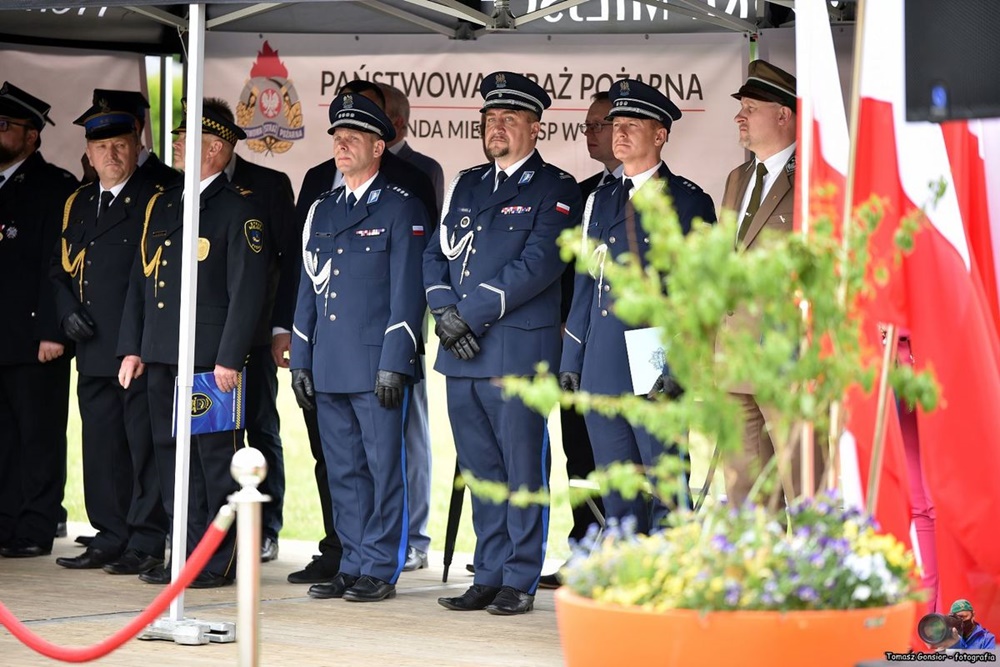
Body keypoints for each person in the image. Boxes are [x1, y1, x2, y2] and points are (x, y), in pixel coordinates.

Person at [426, 71, 582, 615]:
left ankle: (520, 576)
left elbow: (537, 266)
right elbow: (436, 254)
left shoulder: (557, 187)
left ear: (536, 128)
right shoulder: (468, 182)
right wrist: (443, 312)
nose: (496, 127)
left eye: (509, 119)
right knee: (481, 470)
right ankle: (488, 573)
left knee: (522, 470)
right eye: (491, 119)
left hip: (515, 352)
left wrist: (464, 316)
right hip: (462, 355)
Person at [274, 79, 438, 584]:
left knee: (384, 468)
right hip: (328, 364)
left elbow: (409, 293)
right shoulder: (323, 208)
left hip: (377, 364)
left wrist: (397, 359)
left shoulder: (401, 205)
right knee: (343, 471)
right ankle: (351, 561)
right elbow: (308, 290)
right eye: (337, 134)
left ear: (378, 145)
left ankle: (380, 566)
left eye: (355, 134)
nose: (342, 143)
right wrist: (301, 359)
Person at [117, 101, 267, 588]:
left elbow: (248, 291)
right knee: (169, 456)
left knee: (212, 460)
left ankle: (217, 558)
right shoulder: (164, 202)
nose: (176, 145)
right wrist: (134, 347)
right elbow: (144, 280)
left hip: (208, 359)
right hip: (162, 351)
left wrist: (229, 359)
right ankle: (182, 552)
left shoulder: (237, 208)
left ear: (217, 148)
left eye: (188, 138)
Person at [559, 79, 716, 535]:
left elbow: (699, 293)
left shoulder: (688, 200)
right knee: (617, 487)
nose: (619, 133)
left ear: (660, 135)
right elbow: (587, 282)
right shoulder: (600, 197)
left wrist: (678, 362)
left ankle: (672, 584)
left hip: (653, 355)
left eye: (632, 125)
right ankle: (624, 586)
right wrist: (573, 359)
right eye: (616, 124)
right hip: (602, 358)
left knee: (665, 483)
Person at [50, 90, 176, 573]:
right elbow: (57, 269)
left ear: (137, 141)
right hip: (91, 345)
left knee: (141, 448)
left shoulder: (156, 197)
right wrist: (65, 313)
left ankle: (146, 538)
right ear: (87, 153)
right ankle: (110, 532)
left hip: (136, 347)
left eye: (120, 144)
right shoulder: (78, 202)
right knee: (100, 447)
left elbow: (153, 279)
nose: (110, 155)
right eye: (100, 148)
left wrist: (138, 342)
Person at [192, 97, 295, 564]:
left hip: (251, 336)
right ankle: (206, 533)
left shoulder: (269, 185)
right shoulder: (183, 190)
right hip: (199, 342)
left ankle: (267, 527)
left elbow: (286, 262)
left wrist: (279, 328)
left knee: (259, 427)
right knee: (207, 438)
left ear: (222, 142)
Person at [718, 59, 821, 505]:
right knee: (743, 490)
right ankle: (753, 573)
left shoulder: (815, 176)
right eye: (740, 106)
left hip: (786, 356)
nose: (740, 116)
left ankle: (815, 571)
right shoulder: (737, 179)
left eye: (750, 107)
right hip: (734, 356)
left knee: (803, 484)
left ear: (784, 115)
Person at [539, 91, 619, 589]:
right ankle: (585, 548)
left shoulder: (667, 193)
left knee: (631, 459)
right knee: (580, 453)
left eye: (599, 124)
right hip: (576, 349)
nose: (589, 132)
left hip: (629, 354)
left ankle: (633, 554)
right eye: (587, 124)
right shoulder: (584, 196)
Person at [0, 81, 78, 558]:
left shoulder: (55, 187)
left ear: (32, 136)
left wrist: (53, 330)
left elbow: (60, 264)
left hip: (35, 338)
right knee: (4, 437)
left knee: (38, 435)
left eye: (5, 125)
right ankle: (6, 519)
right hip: (1, 336)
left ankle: (37, 523)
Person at [378, 81, 445, 571]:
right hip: (348, 329)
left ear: (395, 124)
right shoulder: (330, 174)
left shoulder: (421, 171)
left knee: (410, 432)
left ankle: (415, 536)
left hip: (401, 320)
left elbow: (430, 251)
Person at [929, 599, 997, 651]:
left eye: (964, 617)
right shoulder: (947, 636)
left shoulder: (986, 638)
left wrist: (956, 645)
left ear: (973, 615)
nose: (960, 620)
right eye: (956, 618)